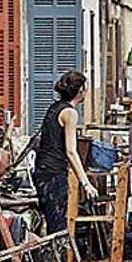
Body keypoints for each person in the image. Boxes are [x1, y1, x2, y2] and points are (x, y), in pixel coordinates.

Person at [33, 71, 98, 234]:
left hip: (42, 170)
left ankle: (54, 258)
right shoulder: (70, 113)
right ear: (81, 90)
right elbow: (71, 151)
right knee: (58, 227)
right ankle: (55, 259)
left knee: (52, 221)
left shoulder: (54, 107)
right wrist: (86, 183)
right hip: (54, 173)